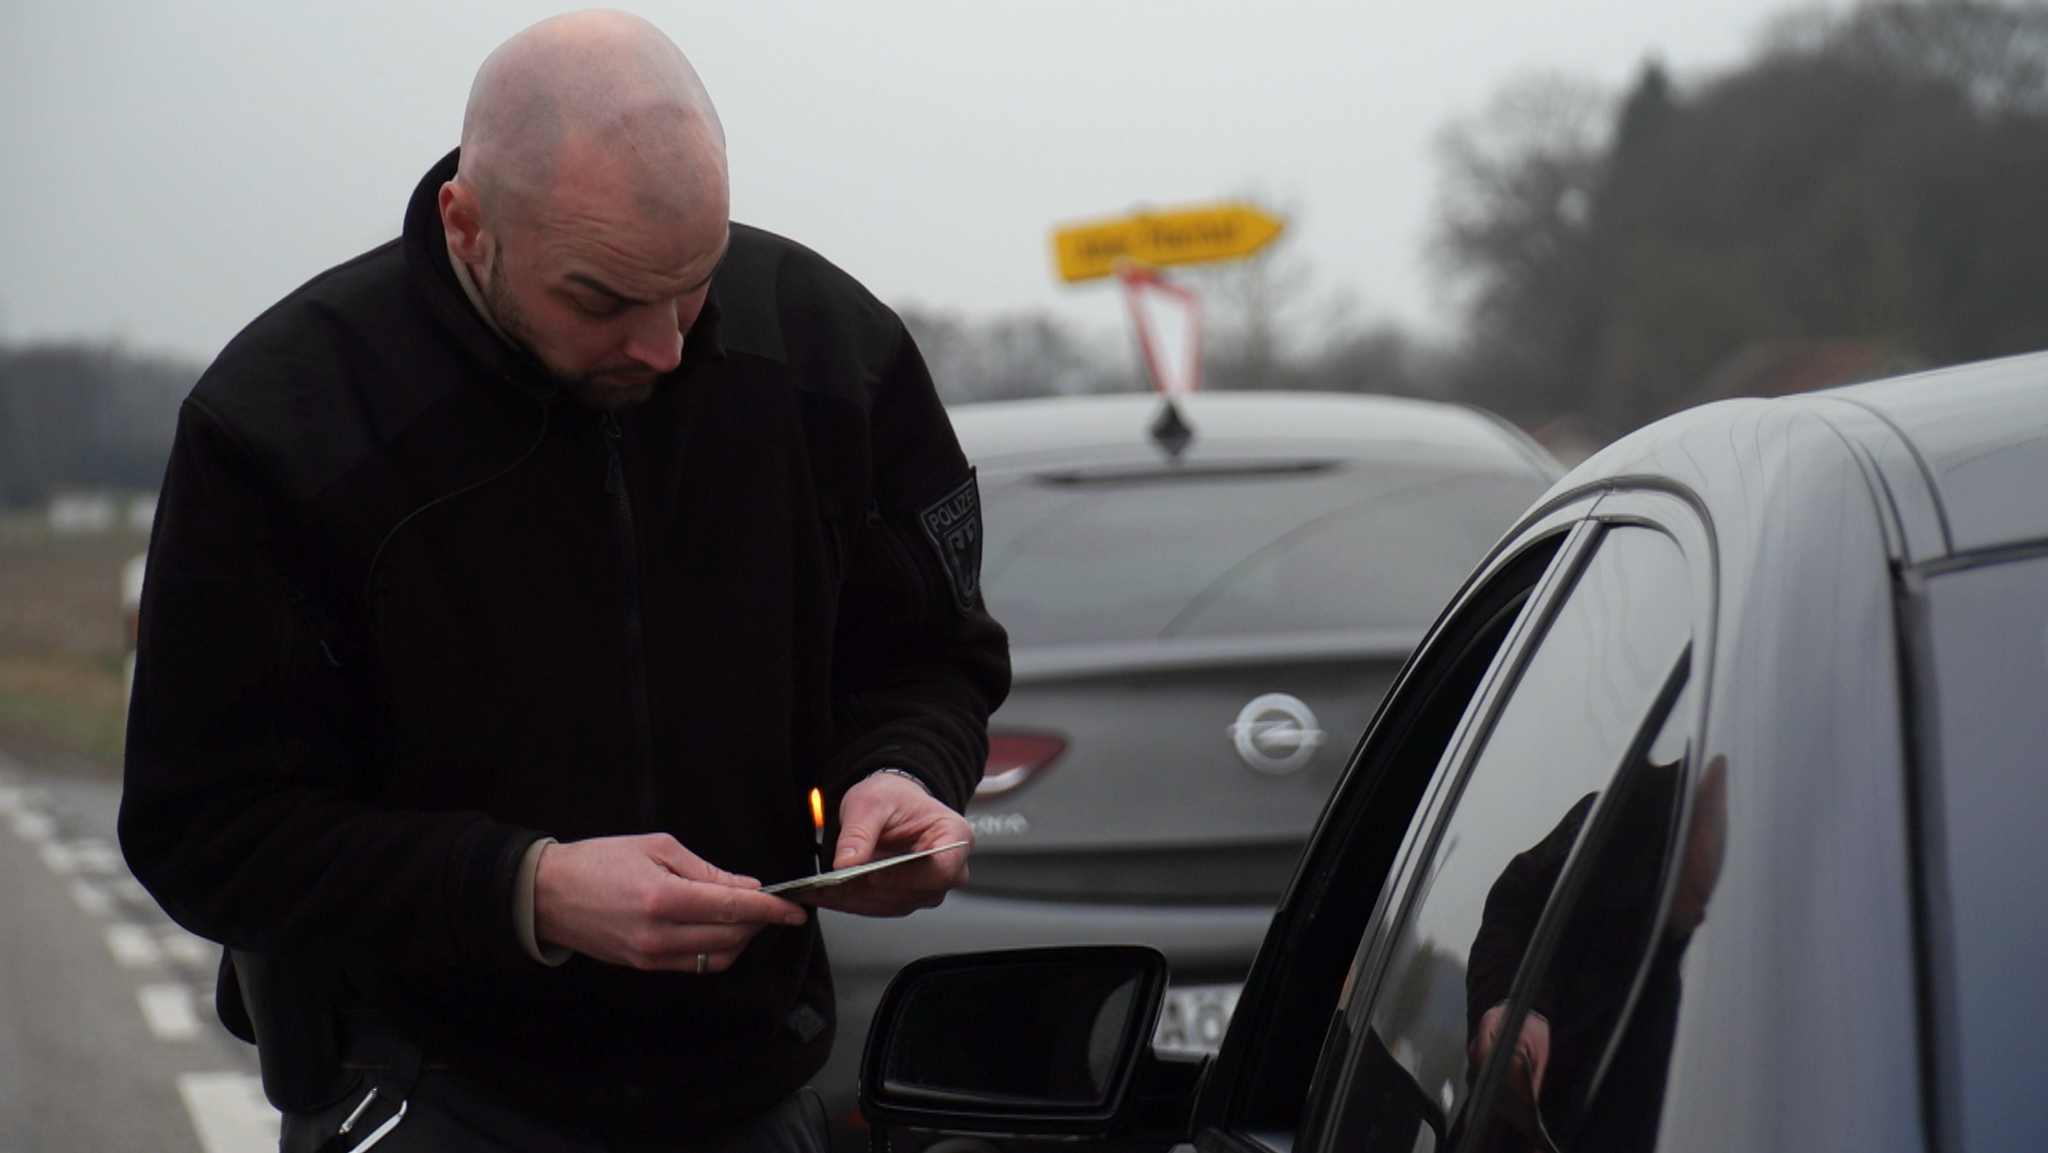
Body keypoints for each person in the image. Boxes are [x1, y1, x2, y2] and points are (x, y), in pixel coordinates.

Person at [117, 10, 1009, 1151]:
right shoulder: (288, 425)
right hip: (428, 1088)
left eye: (692, 283)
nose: (664, 347)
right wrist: (524, 889)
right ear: (468, 224)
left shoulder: (834, 357)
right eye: (600, 300)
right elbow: (207, 824)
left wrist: (899, 769)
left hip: (750, 1092)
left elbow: (930, 657)